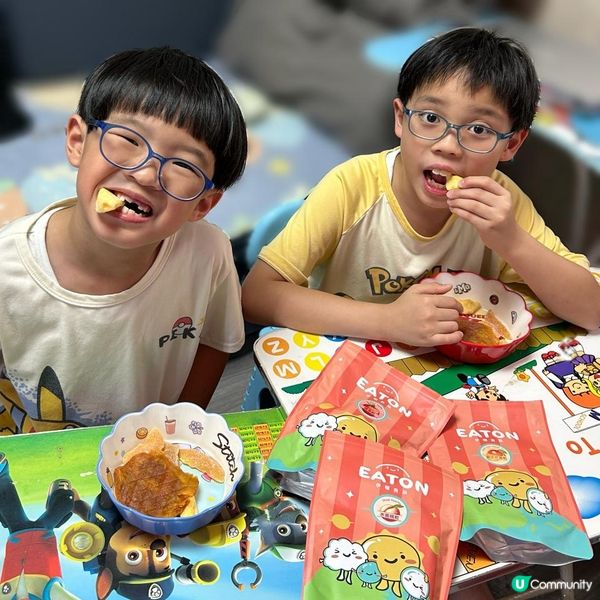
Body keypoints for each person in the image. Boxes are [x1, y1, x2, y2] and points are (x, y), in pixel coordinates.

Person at [242, 27, 600, 348]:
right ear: (400, 118)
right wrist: (388, 321)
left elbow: (592, 311)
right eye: (430, 118)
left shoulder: (502, 204)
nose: (448, 145)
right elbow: (257, 295)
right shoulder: (351, 186)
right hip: (344, 361)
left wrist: (512, 241)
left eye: (478, 129)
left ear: (511, 145)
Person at [0, 47, 247, 433]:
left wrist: (175, 429)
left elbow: (217, 341)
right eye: (128, 139)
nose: (147, 175)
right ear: (78, 142)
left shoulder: (208, 254)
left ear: (203, 204)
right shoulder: (6, 266)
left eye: (184, 164)